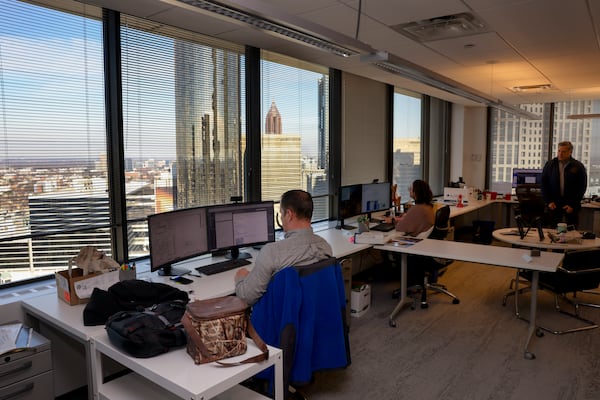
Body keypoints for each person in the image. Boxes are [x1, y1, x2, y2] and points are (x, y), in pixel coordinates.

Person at [234, 190, 333, 306]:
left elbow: (246, 298)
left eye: (281, 214)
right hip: (311, 315)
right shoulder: (325, 247)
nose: (281, 218)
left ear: (289, 215)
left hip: (281, 321)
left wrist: (241, 279)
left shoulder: (271, 252)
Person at [541, 141, 587, 227]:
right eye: (559, 151)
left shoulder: (577, 166)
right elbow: (544, 184)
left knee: (571, 231)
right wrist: (548, 201)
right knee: (553, 230)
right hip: (554, 204)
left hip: (571, 205)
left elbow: (581, 187)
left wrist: (572, 204)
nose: (560, 154)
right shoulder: (550, 165)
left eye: (563, 151)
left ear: (570, 152)